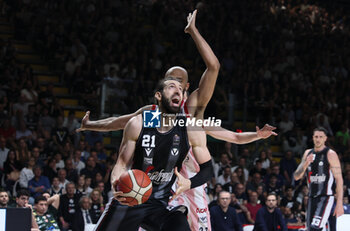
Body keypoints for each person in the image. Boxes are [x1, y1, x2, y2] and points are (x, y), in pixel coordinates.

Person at [77, 10, 277, 231]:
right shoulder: (151, 114)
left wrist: (193, 31)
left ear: (186, 88)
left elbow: (231, 131)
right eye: (169, 81)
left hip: (191, 179)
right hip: (160, 184)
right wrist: (90, 125)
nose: (174, 84)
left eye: (179, 82)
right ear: (161, 90)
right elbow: (119, 123)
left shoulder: (192, 112)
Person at [95, 76, 213, 231]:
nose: (178, 90)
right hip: (132, 196)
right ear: (158, 95)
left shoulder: (190, 129)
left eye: (181, 88)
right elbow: (122, 163)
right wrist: (116, 181)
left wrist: (189, 183)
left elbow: (208, 169)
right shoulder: (139, 123)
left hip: (162, 202)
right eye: (172, 86)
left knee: (179, 222)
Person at [293, 127, 344, 231]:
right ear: (312, 138)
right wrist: (306, 163)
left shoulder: (330, 154)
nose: (318, 139)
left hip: (325, 197)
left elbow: (339, 179)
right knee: (310, 229)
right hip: (311, 197)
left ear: (325, 138)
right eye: (316, 136)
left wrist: (339, 203)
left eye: (321, 137)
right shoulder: (307, 153)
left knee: (315, 227)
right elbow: (296, 176)